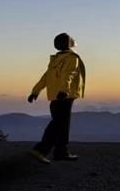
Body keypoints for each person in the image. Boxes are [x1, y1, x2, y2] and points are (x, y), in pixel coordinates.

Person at [27, 32, 86, 163]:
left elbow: (46, 78)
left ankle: (61, 152)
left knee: (62, 124)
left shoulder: (55, 60)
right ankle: (41, 150)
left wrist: (35, 92)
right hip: (64, 96)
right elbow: (68, 75)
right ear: (68, 43)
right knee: (58, 124)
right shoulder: (72, 58)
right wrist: (64, 91)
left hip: (55, 96)